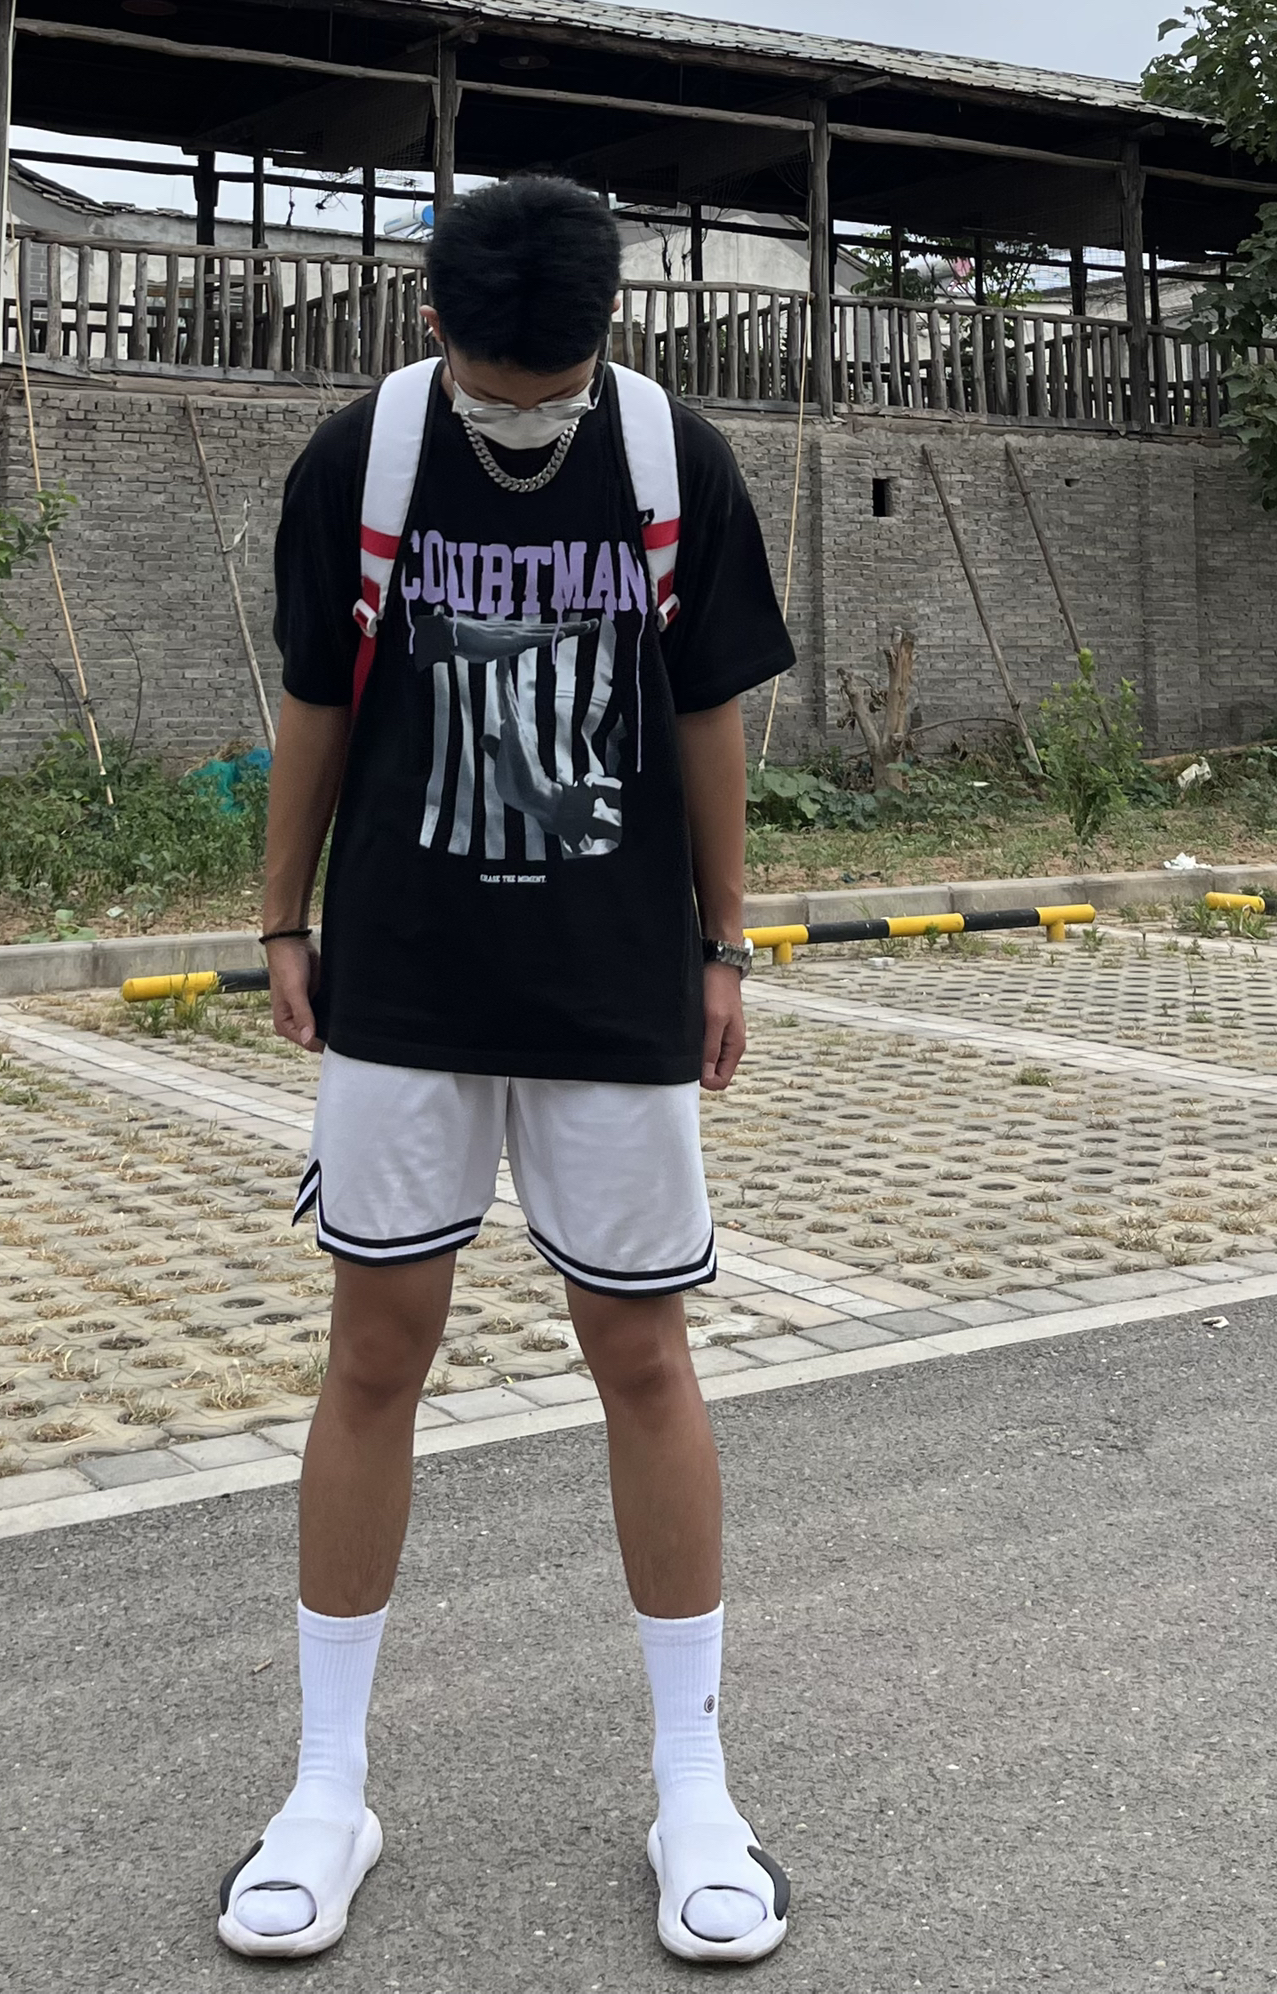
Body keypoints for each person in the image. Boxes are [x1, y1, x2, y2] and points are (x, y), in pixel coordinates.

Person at [218, 175, 796, 1967]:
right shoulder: (365, 456)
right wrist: (282, 916)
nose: (523, 414)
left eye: (551, 388)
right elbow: (318, 695)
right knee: (372, 1350)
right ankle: (327, 1787)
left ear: (609, 336)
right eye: (495, 385)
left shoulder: (674, 460)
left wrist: (722, 938)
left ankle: (694, 1785)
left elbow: (708, 706)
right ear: (430, 325)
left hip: (611, 984)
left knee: (643, 1354)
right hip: (404, 980)